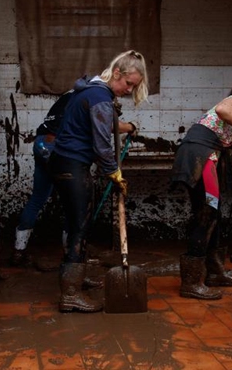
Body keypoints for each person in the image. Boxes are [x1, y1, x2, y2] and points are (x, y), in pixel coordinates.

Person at [48, 50, 149, 313]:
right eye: (128, 84)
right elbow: (103, 144)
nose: (129, 90)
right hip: (73, 165)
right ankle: (70, 294)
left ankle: (76, 280)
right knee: (80, 227)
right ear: (117, 73)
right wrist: (113, 172)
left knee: (74, 225)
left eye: (134, 86)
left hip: (63, 163)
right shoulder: (100, 97)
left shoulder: (90, 91)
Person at [12, 88, 137, 266]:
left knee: (38, 197)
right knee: (74, 204)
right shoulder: (94, 98)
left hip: (42, 142)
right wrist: (131, 126)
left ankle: (19, 251)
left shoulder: (70, 95)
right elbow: (108, 126)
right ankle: (71, 254)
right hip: (59, 146)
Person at [170, 82, 232, 300]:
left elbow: (224, 163)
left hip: (203, 159)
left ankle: (214, 272)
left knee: (214, 214)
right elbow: (223, 110)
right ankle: (192, 282)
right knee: (206, 214)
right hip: (200, 156)